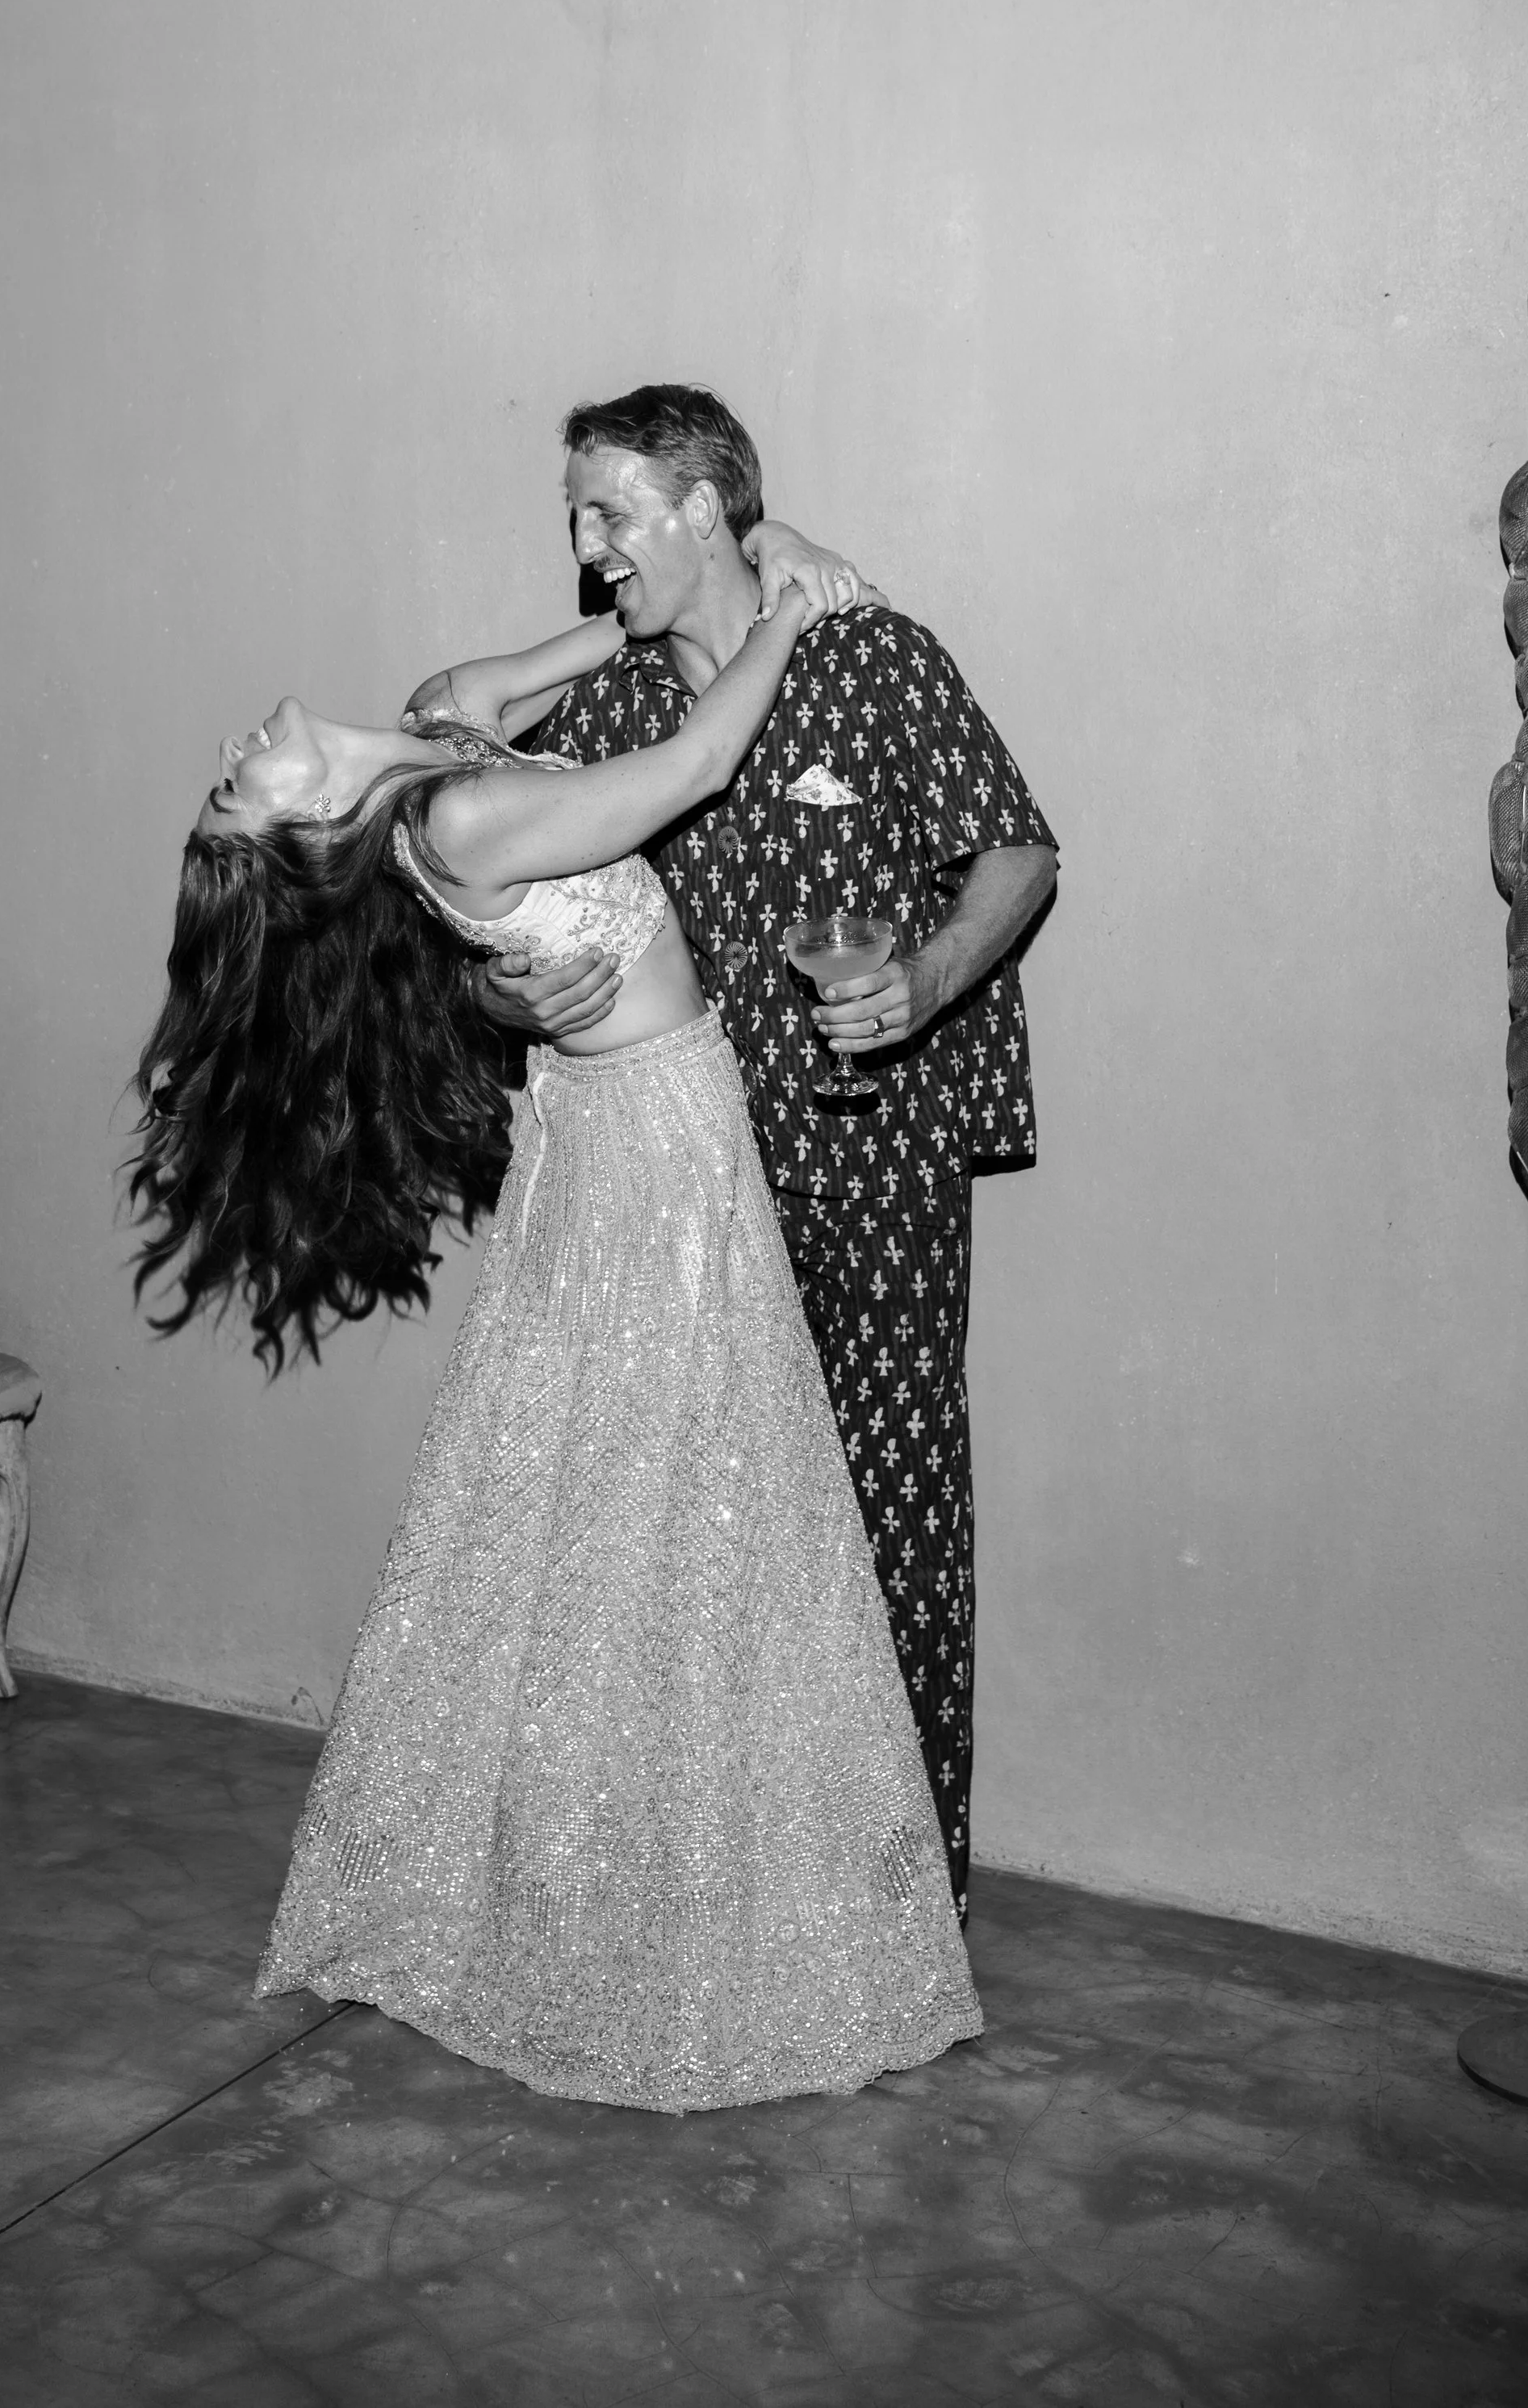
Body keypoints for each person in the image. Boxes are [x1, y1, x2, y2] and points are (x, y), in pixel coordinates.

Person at [128, 548, 983, 2115]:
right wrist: (795, 603)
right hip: (655, 1137)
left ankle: (581, 1887)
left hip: (607, 1128)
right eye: (237, 799)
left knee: (592, 1511)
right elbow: (698, 761)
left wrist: (664, 590)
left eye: (225, 786)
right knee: (691, 1509)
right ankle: (655, 1928)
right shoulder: (456, 823)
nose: (235, 763)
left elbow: (569, 655)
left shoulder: (433, 740)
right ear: (310, 836)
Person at [477, 387, 1057, 1917]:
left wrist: (924, 981)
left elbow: (1019, 848)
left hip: (878, 1168)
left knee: (892, 1510)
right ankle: (712, 1892)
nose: (589, 547)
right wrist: (504, 984)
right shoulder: (601, 720)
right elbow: (488, 908)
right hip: (688, 1192)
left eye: (612, 512)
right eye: (578, 517)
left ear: (708, 509)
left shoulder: (874, 658)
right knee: (692, 1526)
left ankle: (895, 1894)